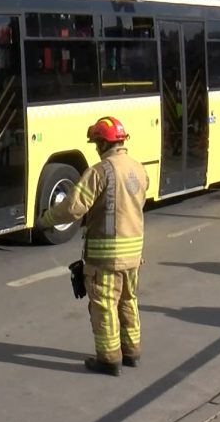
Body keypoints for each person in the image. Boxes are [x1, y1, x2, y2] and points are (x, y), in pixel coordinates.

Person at [34, 117, 149, 377]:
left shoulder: (101, 171)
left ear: (102, 142)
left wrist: (46, 220)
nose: (96, 147)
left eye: (97, 142)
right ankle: (132, 352)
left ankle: (109, 359)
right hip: (134, 253)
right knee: (128, 301)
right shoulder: (138, 168)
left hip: (107, 255)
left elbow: (74, 206)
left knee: (104, 305)